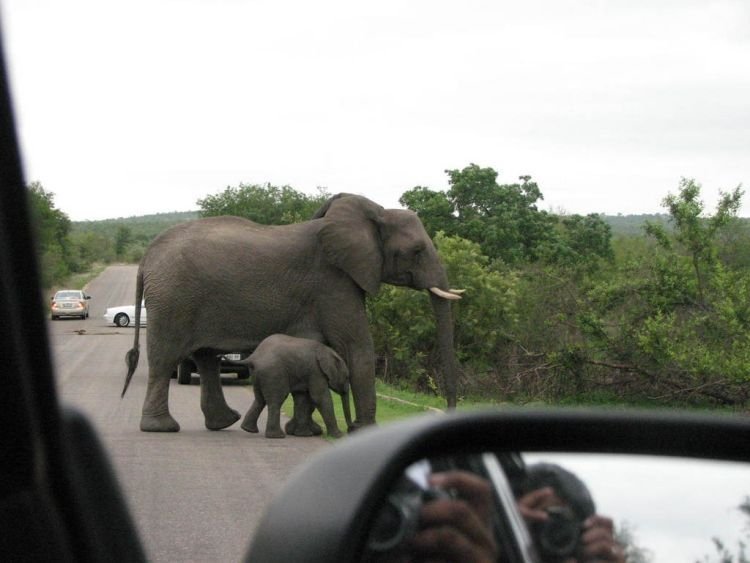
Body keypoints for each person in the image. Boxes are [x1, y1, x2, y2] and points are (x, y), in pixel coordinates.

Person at [516, 462, 625, 563]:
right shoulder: (507, 537)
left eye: (563, 528)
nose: (556, 537)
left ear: (582, 533)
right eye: (539, 524)